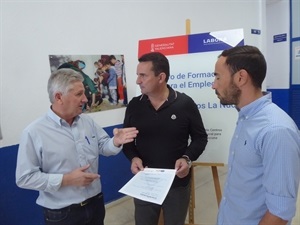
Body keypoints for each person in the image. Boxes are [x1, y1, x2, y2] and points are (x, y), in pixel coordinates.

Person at [15, 68, 138, 225]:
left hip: (95, 203)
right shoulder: (34, 132)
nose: (86, 99)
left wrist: (115, 141)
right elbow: (24, 178)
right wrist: (66, 180)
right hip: (62, 214)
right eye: (79, 94)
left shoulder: (87, 121)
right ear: (59, 97)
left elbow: (103, 146)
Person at [212, 45, 300, 225]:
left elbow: (279, 213)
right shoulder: (246, 118)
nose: (214, 84)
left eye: (218, 76)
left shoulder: (276, 131)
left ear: (241, 78)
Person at [122, 52, 208, 225]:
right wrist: (134, 158)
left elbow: (200, 138)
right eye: (138, 75)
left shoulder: (185, 104)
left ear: (161, 77)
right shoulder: (134, 105)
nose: (138, 80)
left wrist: (187, 158)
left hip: (176, 183)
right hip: (145, 181)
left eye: (143, 75)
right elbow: (127, 141)